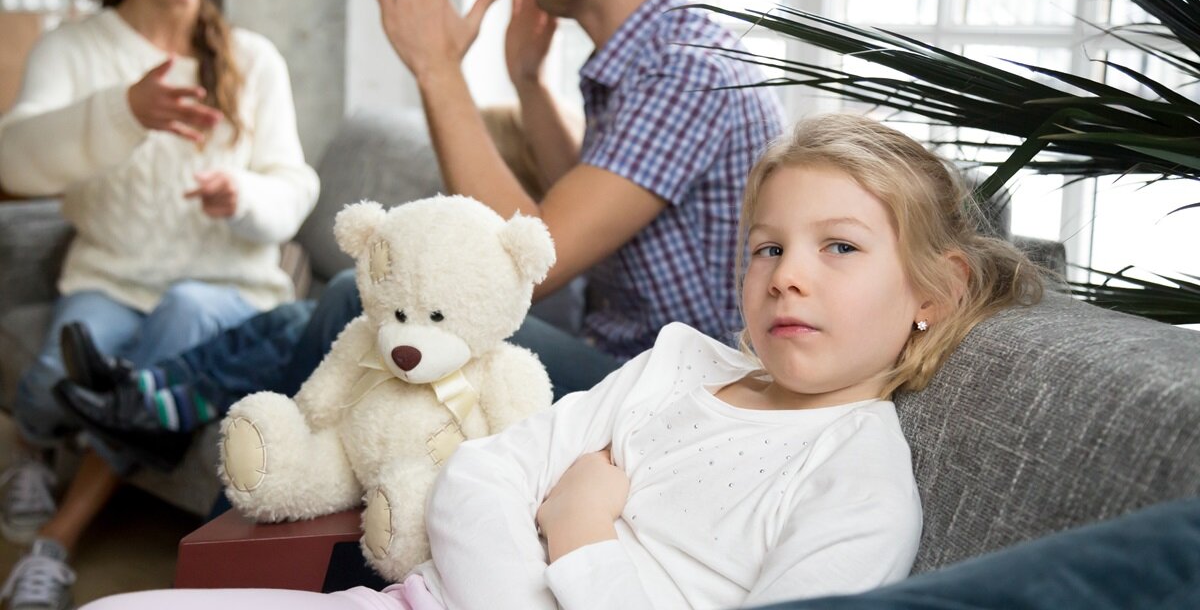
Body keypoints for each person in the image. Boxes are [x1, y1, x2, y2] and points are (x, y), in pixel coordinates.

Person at [76, 112, 1046, 610]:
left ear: (935, 291)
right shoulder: (677, 365)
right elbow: (479, 479)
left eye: (839, 247)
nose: (788, 274)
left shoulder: (859, 485)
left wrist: (579, 533)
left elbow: (535, 503)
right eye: (767, 246)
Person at [51, 0, 785, 466]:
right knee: (363, 312)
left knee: (365, 302)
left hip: (664, 402)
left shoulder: (686, 73)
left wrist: (437, 68)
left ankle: (207, 456)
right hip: (628, 364)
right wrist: (528, 82)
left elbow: (540, 260)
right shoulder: (662, 59)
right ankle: (171, 397)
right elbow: (596, 209)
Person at [0, 0, 319, 610]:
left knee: (179, 319)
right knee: (53, 378)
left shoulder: (253, 59)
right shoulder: (75, 50)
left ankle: (57, 542)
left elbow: (295, 188)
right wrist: (122, 113)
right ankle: (30, 445)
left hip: (228, 287)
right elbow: (13, 160)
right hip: (112, 277)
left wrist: (243, 193)